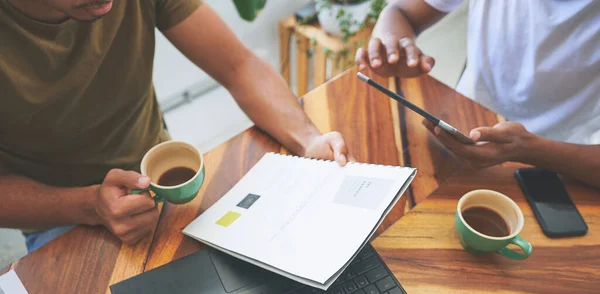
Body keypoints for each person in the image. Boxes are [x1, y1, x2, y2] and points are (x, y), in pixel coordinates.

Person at [0, 0, 351, 252]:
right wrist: (89, 204)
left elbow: (238, 66)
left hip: (158, 180)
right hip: (58, 216)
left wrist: (308, 140)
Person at [356, 0, 600, 188]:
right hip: (461, 131)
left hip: (566, 169)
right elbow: (399, 12)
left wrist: (530, 150)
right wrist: (393, 47)